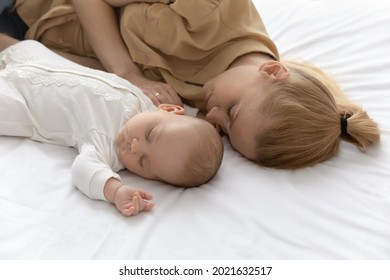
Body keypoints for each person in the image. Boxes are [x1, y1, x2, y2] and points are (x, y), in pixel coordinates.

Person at [5, 0, 380, 168]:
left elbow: (79, 71)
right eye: (233, 111)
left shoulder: (200, 96)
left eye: (226, 132)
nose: (212, 116)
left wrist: (13, 49)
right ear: (273, 72)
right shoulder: (216, 9)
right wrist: (129, 75)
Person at [0, 35, 224, 217]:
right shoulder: (145, 101)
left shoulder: (108, 149)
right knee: (28, 46)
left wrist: (114, 190)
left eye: (143, 162)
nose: (135, 147)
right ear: (169, 110)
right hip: (38, 63)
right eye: (150, 133)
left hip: (23, 102)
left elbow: (83, 170)